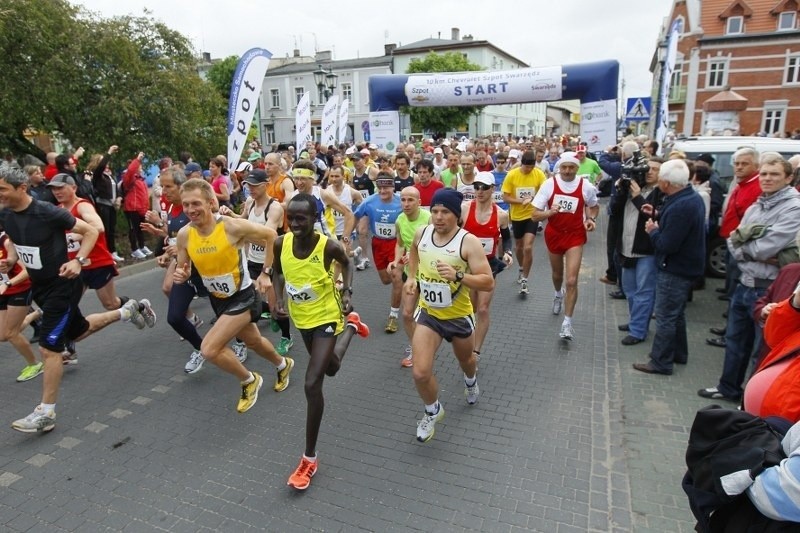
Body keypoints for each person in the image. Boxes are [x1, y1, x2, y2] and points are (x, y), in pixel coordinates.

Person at [0, 165, 153, 433]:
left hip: (63, 285)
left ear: (21, 188)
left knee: (49, 348)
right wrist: (12, 258)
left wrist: (79, 261)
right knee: (78, 331)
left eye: (2, 189)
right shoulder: (6, 214)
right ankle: (125, 312)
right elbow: (14, 239)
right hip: (40, 287)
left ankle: (46, 413)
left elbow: (92, 231)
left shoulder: (48, 212)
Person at [272, 193, 370, 491]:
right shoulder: (281, 243)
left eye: (302, 218)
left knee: (312, 382)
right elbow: (277, 271)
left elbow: (348, 264)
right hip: (303, 320)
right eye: (291, 218)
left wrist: (347, 293)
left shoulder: (328, 246)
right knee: (331, 368)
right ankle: (352, 329)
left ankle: (309, 459)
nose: (296, 223)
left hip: (327, 316)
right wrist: (279, 298)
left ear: (315, 218)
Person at [173, 178, 294, 413]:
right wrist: (181, 274)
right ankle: (283, 364)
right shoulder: (185, 235)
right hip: (218, 299)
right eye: (186, 204)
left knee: (209, 349)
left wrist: (266, 274)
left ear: (210, 203)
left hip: (244, 297)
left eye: (196, 203)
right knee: (254, 341)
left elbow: (270, 236)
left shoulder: (230, 226)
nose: (190, 210)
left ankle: (249, 380)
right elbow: (183, 266)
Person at [698, 154, 800, 398]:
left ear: (788, 178)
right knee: (734, 342)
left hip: (769, 289)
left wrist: (745, 246)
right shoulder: (757, 204)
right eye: (764, 173)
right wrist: (746, 247)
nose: (767, 178)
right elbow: (733, 239)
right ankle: (728, 389)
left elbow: (767, 247)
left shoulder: (794, 207)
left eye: (774, 174)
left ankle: (753, 399)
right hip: (744, 283)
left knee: (761, 349)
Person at [403, 189, 494, 442]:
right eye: (434, 211)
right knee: (420, 372)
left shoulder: (468, 242)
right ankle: (432, 410)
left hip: (458, 317)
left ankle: (470, 380)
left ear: (456, 215)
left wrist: (458, 276)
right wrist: (412, 276)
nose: (438, 217)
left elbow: (487, 283)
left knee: (466, 361)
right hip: (429, 315)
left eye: (445, 212)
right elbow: (414, 250)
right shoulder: (423, 233)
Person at [48, 173, 154, 363]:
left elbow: (98, 226)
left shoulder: (82, 205)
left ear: (73, 188)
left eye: (60, 188)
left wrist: (79, 236)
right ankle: (69, 350)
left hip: (97, 263)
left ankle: (140, 306)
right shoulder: (56, 210)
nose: (57, 192)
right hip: (75, 267)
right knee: (67, 307)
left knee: (110, 304)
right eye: (53, 189)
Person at [631, 159, 706, 375]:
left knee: (665, 317)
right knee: (677, 314)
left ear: (666, 183)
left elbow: (667, 244)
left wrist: (653, 230)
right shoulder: (689, 197)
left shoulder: (682, 205)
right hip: (686, 267)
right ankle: (678, 353)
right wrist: (658, 214)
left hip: (675, 268)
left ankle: (661, 362)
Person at [220, 168, 295, 357]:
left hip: (271, 263)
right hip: (252, 261)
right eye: (247, 185)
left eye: (254, 185)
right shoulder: (249, 203)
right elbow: (242, 221)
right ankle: (242, 343)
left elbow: (266, 239)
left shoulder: (275, 208)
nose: (250, 189)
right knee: (242, 302)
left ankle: (286, 336)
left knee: (276, 307)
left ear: (265, 185)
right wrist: (230, 215)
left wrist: (240, 236)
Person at [142, 167, 208, 373]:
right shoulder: (170, 208)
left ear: (181, 186)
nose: (164, 191)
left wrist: (179, 248)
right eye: (162, 186)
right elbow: (172, 236)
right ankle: (201, 348)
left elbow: (206, 234)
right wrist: (164, 244)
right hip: (185, 266)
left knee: (237, 315)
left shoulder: (196, 208)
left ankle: (264, 314)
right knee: (174, 317)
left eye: (168, 186)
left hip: (209, 268)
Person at [531, 152, 600, 340]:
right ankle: (557, 294)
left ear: (577, 168)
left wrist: (591, 219)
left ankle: (567, 323)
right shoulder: (549, 184)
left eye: (571, 167)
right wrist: (550, 212)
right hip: (554, 235)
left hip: (575, 236)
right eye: (564, 167)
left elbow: (594, 206)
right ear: (558, 168)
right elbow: (534, 215)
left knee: (571, 280)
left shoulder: (585, 186)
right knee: (557, 275)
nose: (567, 171)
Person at [610, 157, 665, 345]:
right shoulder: (630, 188)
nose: (649, 172)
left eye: (655, 169)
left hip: (646, 250)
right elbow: (613, 210)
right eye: (647, 168)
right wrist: (620, 191)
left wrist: (637, 197)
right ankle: (636, 322)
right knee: (629, 290)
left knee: (644, 292)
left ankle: (638, 330)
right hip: (626, 247)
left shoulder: (662, 193)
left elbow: (652, 214)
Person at [460, 172, 513, 361]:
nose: (479, 191)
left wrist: (507, 252)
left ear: (493, 189)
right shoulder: (465, 209)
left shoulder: (501, 214)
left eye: (484, 187)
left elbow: (507, 239)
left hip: (488, 266)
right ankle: (467, 338)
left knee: (482, 309)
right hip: (466, 266)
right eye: (476, 187)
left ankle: (475, 352)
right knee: (471, 308)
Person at [353, 174, 404, 333]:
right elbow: (354, 216)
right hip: (378, 243)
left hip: (397, 243)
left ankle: (393, 316)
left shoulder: (401, 201)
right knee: (386, 280)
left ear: (393, 187)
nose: (383, 190)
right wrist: (347, 236)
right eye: (380, 187)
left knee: (396, 277)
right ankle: (404, 278)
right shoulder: (369, 201)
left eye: (386, 187)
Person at [388, 186, 431, 367]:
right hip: (410, 275)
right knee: (407, 314)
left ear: (419, 202)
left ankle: (431, 342)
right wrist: (397, 260)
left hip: (430, 276)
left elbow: (438, 247)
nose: (406, 204)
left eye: (410, 200)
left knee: (432, 317)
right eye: (403, 200)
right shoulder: (399, 220)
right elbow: (400, 244)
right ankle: (417, 348)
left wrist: (416, 254)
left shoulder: (429, 219)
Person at [501, 150, 548, 295]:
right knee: (519, 247)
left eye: (531, 167)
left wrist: (539, 204)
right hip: (516, 216)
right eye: (526, 167)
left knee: (528, 247)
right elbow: (505, 197)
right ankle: (521, 268)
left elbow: (546, 191)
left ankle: (525, 280)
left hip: (532, 215)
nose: (529, 170)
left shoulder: (539, 173)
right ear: (522, 164)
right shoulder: (512, 174)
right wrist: (521, 201)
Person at [0, 228, 42, 382]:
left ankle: (35, 364)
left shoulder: (6, 242)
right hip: (3, 292)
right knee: (3, 335)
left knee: (11, 333)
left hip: (19, 289)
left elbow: (28, 270)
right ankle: (37, 313)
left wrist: (9, 283)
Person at [89, 145, 124, 263]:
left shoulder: (109, 175)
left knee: (112, 230)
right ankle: (107, 253)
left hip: (112, 206)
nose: (107, 164)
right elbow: (100, 167)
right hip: (103, 206)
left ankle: (113, 252)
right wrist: (109, 153)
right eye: (104, 162)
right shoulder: (97, 175)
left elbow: (117, 189)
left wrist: (119, 198)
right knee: (106, 230)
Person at [122, 152, 153, 260]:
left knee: (140, 228)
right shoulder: (129, 178)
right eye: (139, 165)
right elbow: (130, 171)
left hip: (140, 208)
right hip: (132, 208)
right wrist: (138, 159)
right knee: (133, 229)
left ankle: (141, 246)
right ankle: (134, 249)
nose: (141, 167)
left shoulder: (141, 179)